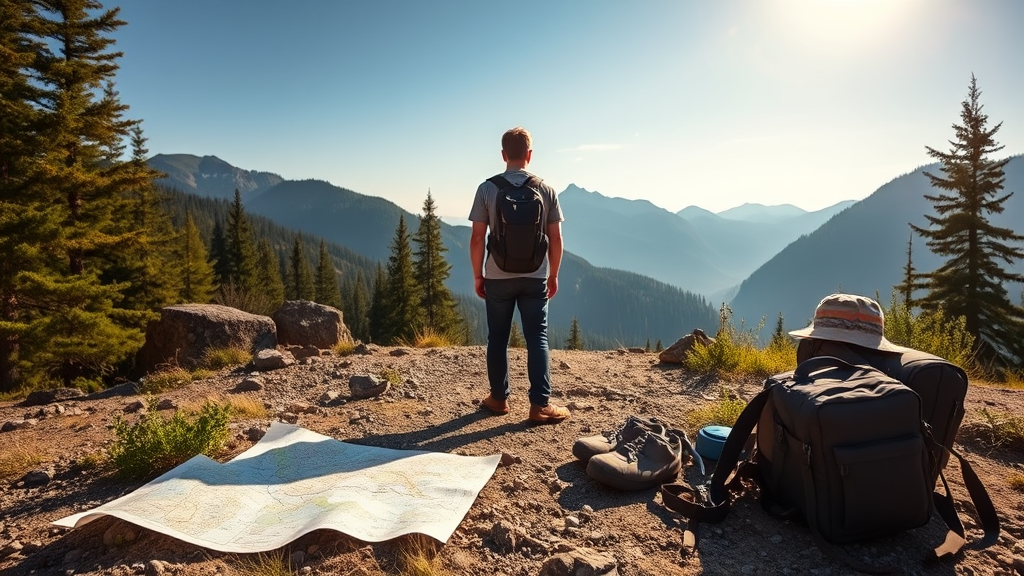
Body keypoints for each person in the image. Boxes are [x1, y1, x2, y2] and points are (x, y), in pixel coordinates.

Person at [469, 127, 570, 424]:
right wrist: (553, 275)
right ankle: (540, 406)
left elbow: (477, 238)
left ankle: (498, 399)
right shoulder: (546, 190)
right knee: (537, 337)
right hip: (535, 276)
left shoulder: (487, 189)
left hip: (497, 276)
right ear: (529, 155)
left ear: (503, 155)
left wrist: (479, 275)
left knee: (498, 337)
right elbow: (556, 238)